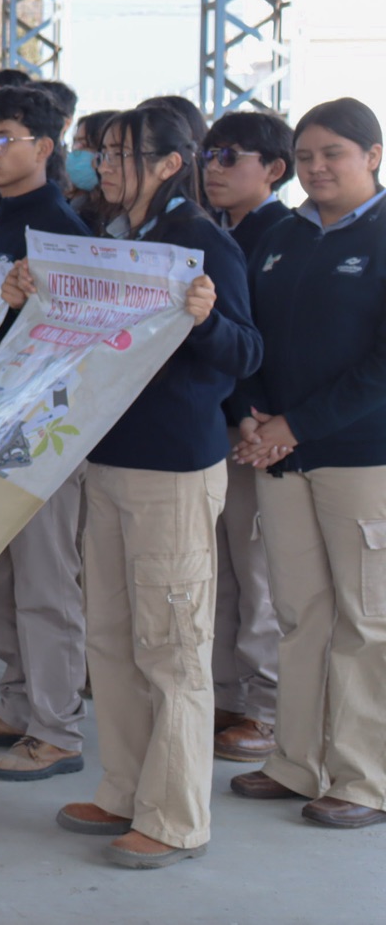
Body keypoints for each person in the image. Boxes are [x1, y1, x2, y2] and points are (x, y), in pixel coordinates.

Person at [33, 106, 259, 868]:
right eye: (103, 151)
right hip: (108, 456)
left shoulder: (202, 242)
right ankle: (123, 788)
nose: (106, 165)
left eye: (123, 153)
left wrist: (206, 320)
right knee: (113, 637)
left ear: (169, 164)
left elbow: (246, 352)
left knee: (173, 646)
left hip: (173, 469)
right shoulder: (113, 240)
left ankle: (174, 816)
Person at [230, 97, 386, 830]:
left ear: (373, 157)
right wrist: (255, 417)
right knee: (301, 615)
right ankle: (296, 761)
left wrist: (297, 424)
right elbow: (250, 334)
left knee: (365, 622)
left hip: (361, 458)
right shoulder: (282, 236)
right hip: (280, 454)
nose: (319, 167)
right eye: (310, 154)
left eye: (337, 154)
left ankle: (362, 780)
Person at [0, 85, 97, 780]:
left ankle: (57, 729)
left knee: (43, 583)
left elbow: (78, 342)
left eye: (5, 138)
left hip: (40, 432)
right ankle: (16, 704)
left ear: (45, 145)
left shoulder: (61, 229)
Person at [202, 110, 294, 765]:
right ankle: (228, 695)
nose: (215, 167)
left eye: (231, 156)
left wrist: (261, 423)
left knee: (259, 576)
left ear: (273, 170)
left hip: (266, 432)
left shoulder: (283, 236)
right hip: (227, 425)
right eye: (210, 153)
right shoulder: (217, 233)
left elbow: (275, 345)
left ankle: (266, 709)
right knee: (225, 575)